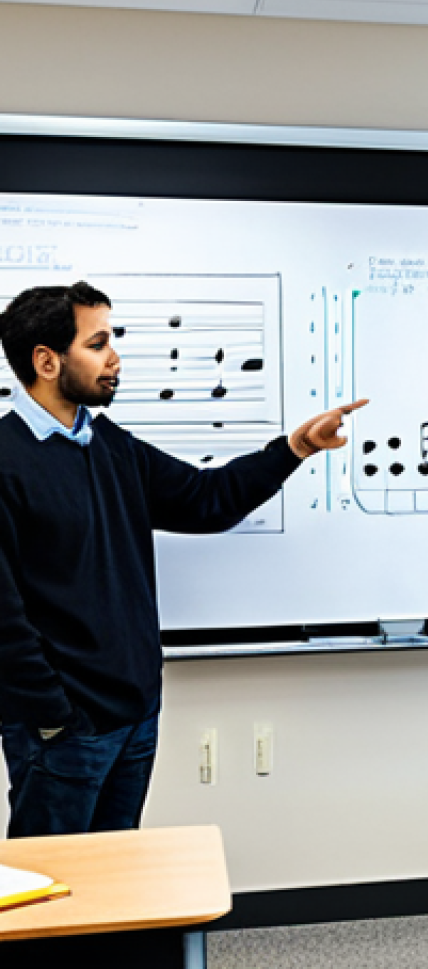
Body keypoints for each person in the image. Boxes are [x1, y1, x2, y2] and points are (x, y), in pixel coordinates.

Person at [0, 282, 367, 838]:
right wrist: (52, 714)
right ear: (47, 361)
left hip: (135, 715)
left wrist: (293, 449)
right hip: (63, 729)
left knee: (115, 880)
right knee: (53, 895)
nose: (115, 359)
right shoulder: (6, 460)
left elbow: (207, 500)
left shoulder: (110, 446)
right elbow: (2, 618)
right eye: (98, 344)